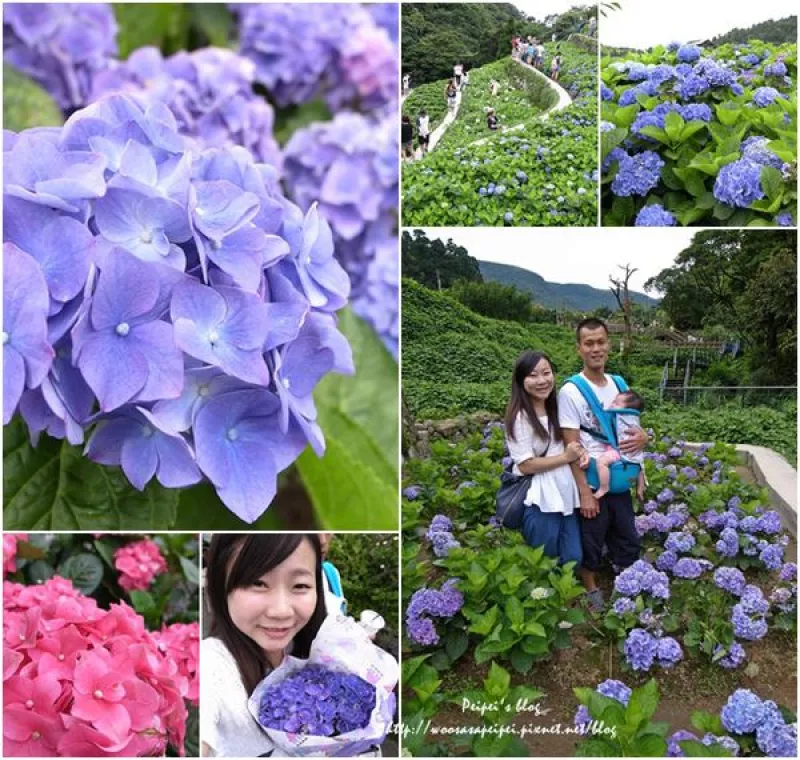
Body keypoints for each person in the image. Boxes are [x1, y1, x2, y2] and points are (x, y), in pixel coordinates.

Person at [200, 534, 328, 757]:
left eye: (300, 585)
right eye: (257, 583)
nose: (280, 611)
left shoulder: (314, 652)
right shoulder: (211, 664)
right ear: (221, 586)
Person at [558, 319, 648, 612]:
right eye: (589, 343)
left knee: (626, 533)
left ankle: (628, 581)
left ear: (609, 344)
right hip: (593, 479)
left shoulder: (620, 384)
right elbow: (571, 445)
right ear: (579, 348)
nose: (596, 348)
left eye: (600, 342)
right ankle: (590, 586)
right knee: (591, 537)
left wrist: (645, 444)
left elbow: (633, 429)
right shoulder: (570, 391)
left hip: (621, 474)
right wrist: (584, 491)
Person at [504, 351, 586, 565]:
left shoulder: (559, 407)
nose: (541, 381)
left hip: (566, 494)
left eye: (546, 373)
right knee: (545, 562)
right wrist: (565, 457)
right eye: (533, 375)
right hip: (540, 499)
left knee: (573, 558)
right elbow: (525, 465)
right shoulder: (520, 416)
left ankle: (565, 597)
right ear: (521, 381)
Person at [582, 390, 646, 501]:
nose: (612, 405)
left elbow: (604, 431)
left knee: (602, 462)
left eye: (616, 403)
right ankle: (640, 489)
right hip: (633, 454)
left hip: (618, 451)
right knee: (638, 466)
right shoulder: (633, 420)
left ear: (626, 409)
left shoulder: (618, 418)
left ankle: (603, 487)